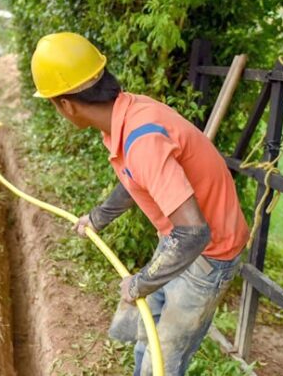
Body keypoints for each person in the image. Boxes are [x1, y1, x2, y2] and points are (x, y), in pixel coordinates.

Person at [30, 32, 249, 376]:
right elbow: (135, 179)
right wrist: (98, 217)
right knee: (145, 338)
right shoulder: (127, 115)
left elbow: (194, 234)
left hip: (208, 253)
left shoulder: (141, 138)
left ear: (66, 104)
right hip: (178, 240)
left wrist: (139, 283)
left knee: (160, 362)